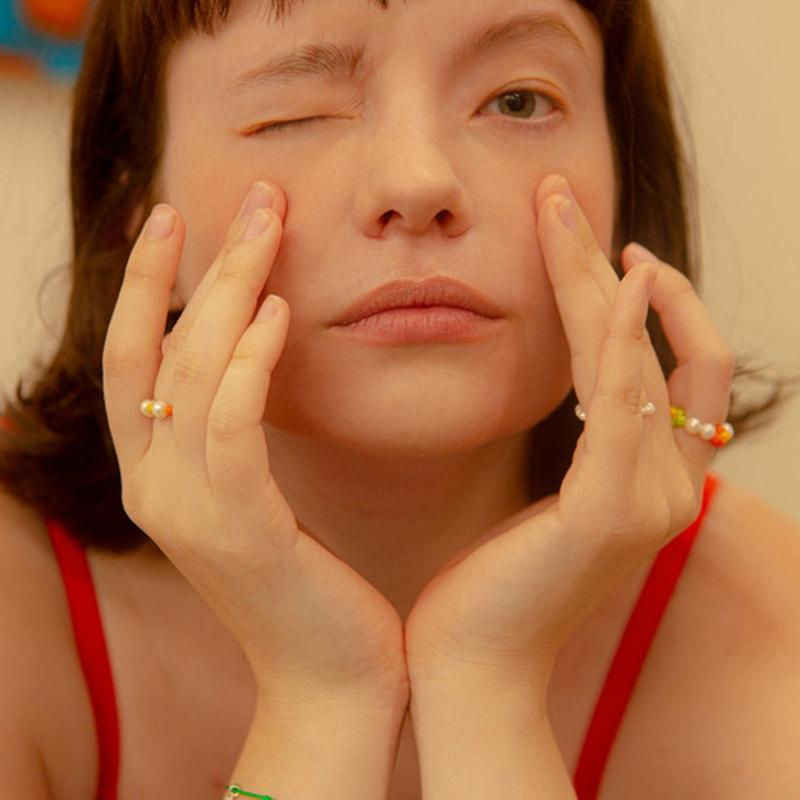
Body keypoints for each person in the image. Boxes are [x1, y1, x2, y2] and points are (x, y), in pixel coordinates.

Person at [1, 0, 798, 797]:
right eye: (296, 112)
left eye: (518, 101)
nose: (419, 182)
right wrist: (319, 696)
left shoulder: (768, 619)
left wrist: (488, 685)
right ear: (132, 205)